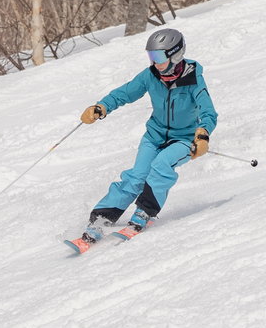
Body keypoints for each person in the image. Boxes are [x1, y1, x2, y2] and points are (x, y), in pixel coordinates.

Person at [71, 27, 217, 249]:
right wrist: (102, 106)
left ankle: (146, 211)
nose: (154, 62)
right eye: (151, 56)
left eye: (158, 56)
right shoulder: (151, 76)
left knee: (161, 165)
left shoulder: (193, 78)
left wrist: (203, 134)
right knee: (136, 176)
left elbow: (208, 111)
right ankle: (102, 217)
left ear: (175, 54)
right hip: (155, 135)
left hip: (185, 139)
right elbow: (126, 92)